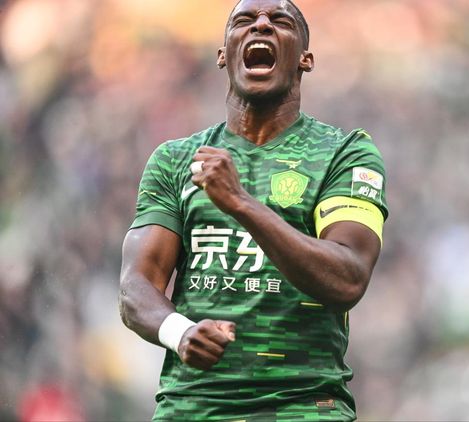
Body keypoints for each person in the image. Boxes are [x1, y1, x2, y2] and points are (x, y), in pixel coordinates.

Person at [118, 0, 388, 420]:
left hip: (303, 407)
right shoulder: (175, 160)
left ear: (305, 58)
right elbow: (135, 286)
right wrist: (180, 331)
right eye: (244, 20)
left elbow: (348, 277)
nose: (261, 25)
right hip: (192, 408)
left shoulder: (345, 154)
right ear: (223, 55)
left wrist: (240, 203)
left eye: (280, 21)